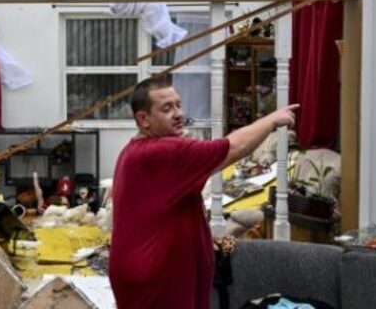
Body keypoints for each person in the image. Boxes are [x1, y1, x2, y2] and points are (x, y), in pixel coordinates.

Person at [109, 77, 298, 309]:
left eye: (178, 105)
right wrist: (272, 120)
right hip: (155, 281)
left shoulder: (136, 149)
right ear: (143, 119)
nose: (178, 113)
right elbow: (234, 147)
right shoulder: (161, 152)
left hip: (154, 274)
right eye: (167, 108)